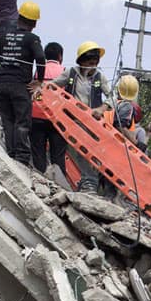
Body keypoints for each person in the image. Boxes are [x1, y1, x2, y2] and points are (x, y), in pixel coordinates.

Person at [52, 41, 112, 192]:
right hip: (72, 120)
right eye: (90, 63)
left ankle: (90, 182)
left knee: (87, 152)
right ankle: (86, 181)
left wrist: (102, 108)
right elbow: (54, 85)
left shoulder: (100, 77)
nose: (92, 66)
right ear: (82, 61)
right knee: (78, 152)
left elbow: (112, 98)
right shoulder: (71, 73)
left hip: (91, 122)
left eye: (95, 63)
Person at [0, 1, 44, 165]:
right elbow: (41, 59)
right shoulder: (32, 39)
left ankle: (11, 153)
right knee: (22, 121)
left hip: (3, 84)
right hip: (20, 86)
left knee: (8, 120)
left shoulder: (4, 36)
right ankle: (21, 158)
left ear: (19, 16)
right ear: (34, 23)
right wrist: (39, 81)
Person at [29, 41, 65, 175]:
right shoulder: (64, 72)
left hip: (37, 115)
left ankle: (40, 182)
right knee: (58, 156)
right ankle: (59, 184)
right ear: (60, 56)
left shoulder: (38, 70)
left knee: (38, 154)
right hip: (57, 118)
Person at [103, 75, 140, 144]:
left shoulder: (110, 104)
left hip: (105, 139)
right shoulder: (127, 105)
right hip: (115, 144)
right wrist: (136, 143)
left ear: (118, 89)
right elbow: (120, 125)